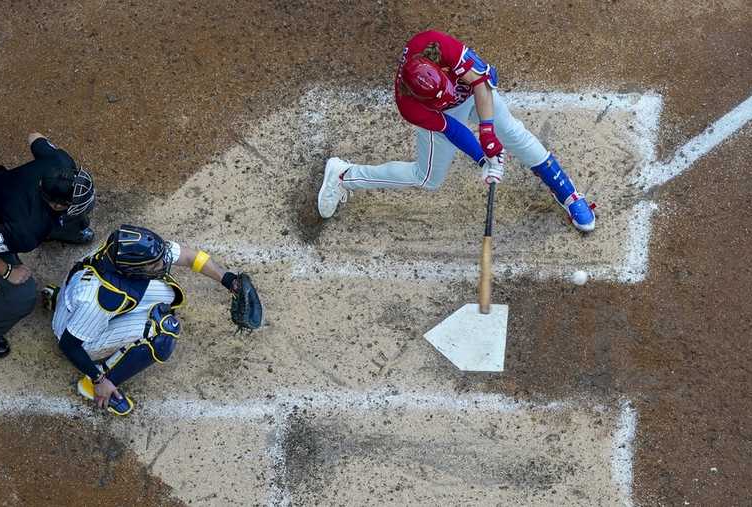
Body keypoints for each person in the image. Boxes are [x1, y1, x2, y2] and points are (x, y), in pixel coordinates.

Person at [317, 30, 596, 232]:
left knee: (510, 131)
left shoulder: (439, 46)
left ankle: (568, 194)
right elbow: (452, 129)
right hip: (445, 117)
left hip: (474, 92)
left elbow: (484, 81)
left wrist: (488, 134)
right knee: (427, 178)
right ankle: (343, 175)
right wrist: (483, 158)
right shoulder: (410, 106)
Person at [43, 224, 263, 416]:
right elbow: (69, 346)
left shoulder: (123, 250)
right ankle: (92, 386)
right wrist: (99, 380)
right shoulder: (103, 298)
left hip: (74, 297)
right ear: (131, 271)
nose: (161, 265)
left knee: (168, 293)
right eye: (154, 265)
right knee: (164, 331)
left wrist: (229, 281)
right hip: (77, 336)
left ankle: (62, 304)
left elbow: (189, 257)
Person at [0, 132, 96, 358]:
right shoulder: (26, 229)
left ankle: (59, 228)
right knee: (22, 294)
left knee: (78, 214)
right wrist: (8, 271)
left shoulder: (61, 163)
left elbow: (34, 136)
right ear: (55, 204)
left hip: (2, 194)